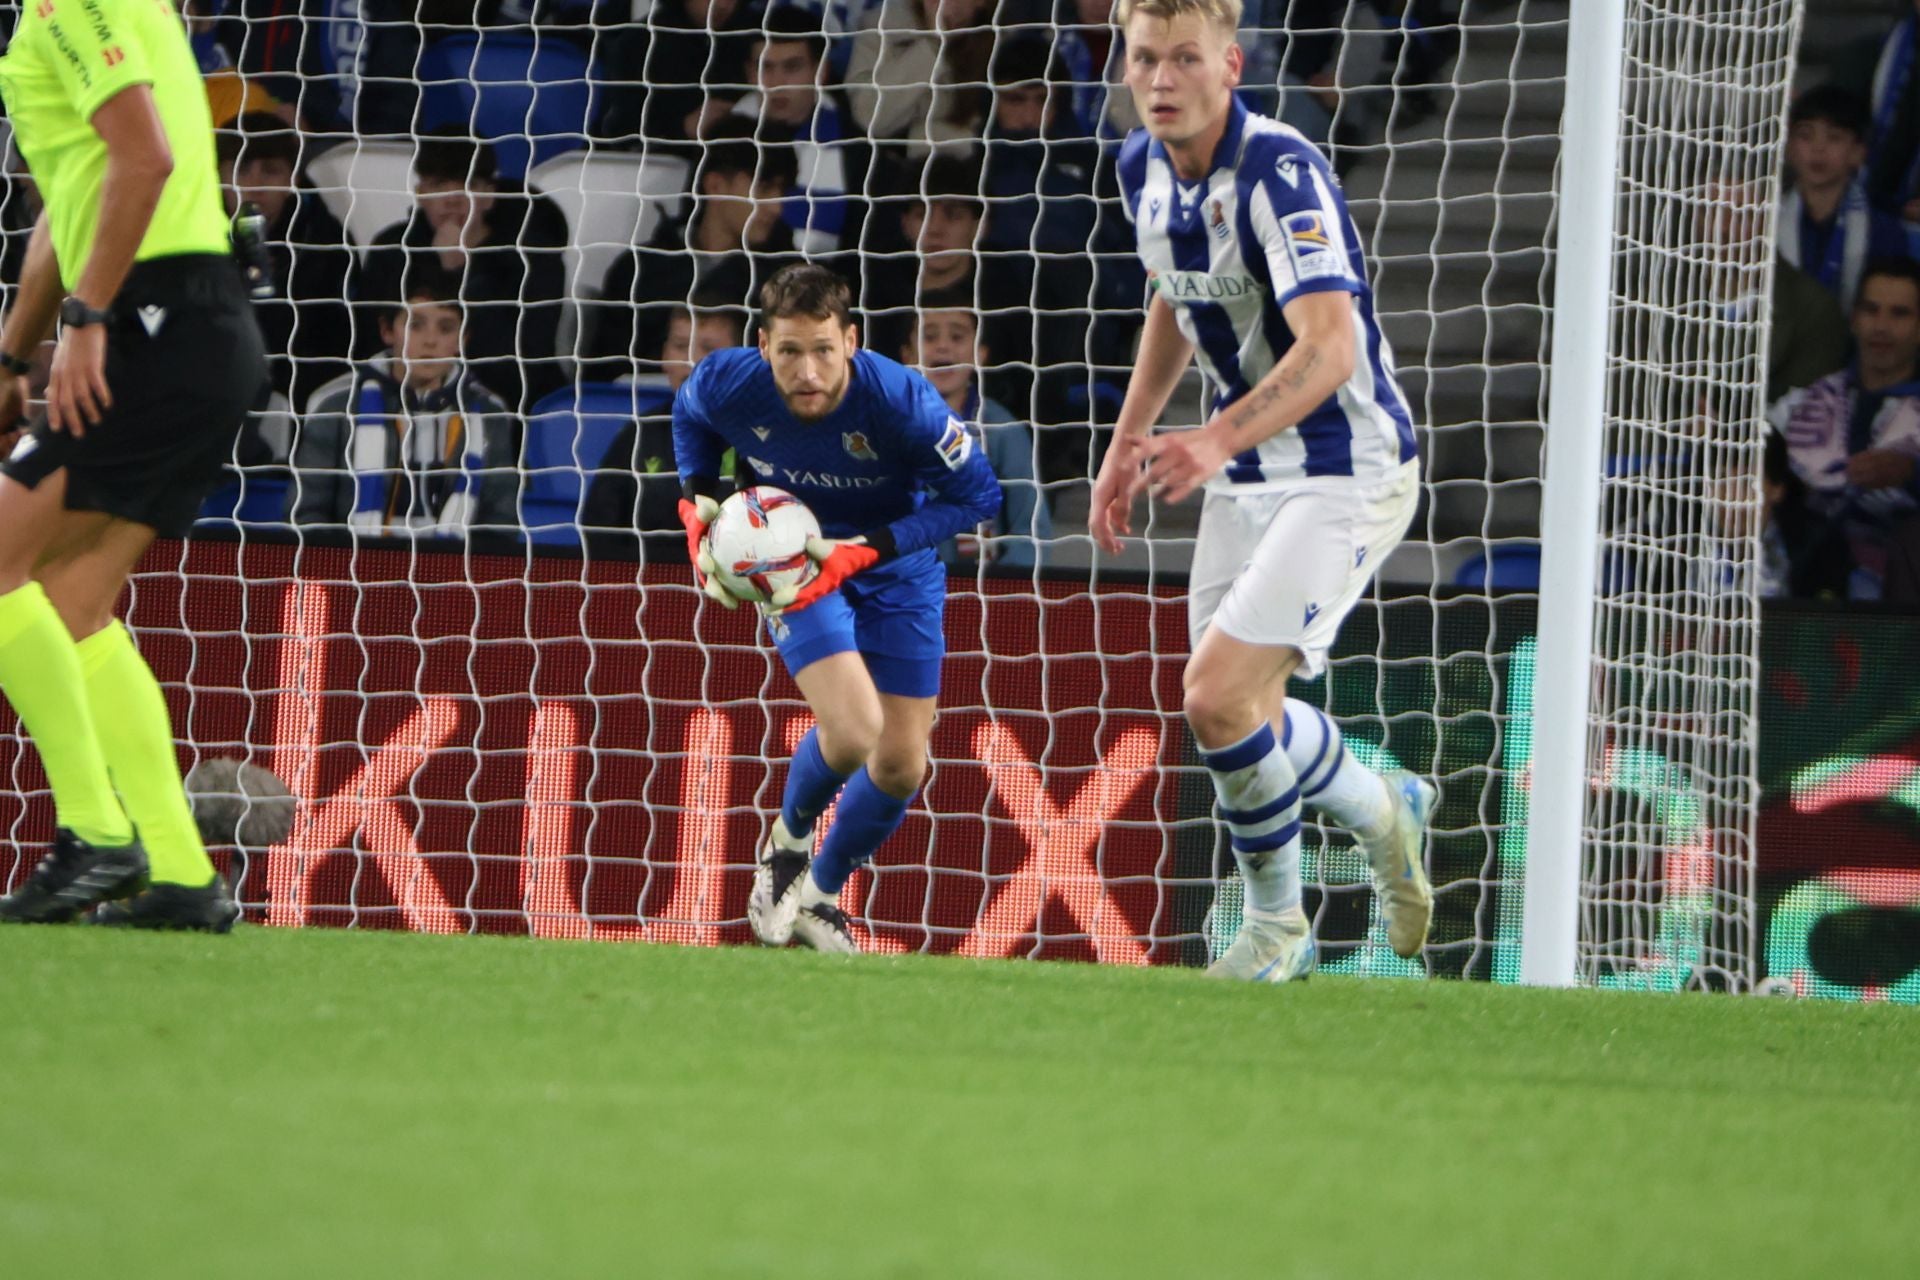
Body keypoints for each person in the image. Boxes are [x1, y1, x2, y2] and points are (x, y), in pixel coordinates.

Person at [1088, 0, 1432, 982]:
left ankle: (1279, 927)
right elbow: (1173, 291)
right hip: (1245, 468)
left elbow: (1332, 346)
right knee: (1238, 713)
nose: (1161, 80)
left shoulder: (1282, 171)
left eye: (1184, 59)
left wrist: (1213, 435)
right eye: (1144, 58)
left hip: (1346, 467)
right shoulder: (1139, 167)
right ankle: (1382, 806)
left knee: (1213, 692)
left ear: (1231, 64)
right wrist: (1127, 440)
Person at [0, 0, 269, 930]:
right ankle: (184, 875)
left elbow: (144, 160)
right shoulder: (120, 16)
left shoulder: (72, 1)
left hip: (152, 322)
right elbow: (69, 212)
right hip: (205, 326)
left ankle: (95, 833)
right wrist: (12, 354)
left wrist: (85, 321)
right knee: (72, 602)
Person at [674, 264, 1000, 952]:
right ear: (764, 347)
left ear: (850, 341)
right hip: (792, 562)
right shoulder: (728, 380)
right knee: (853, 732)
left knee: (901, 765)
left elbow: (979, 498)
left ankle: (819, 896)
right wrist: (697, 504)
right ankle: (786, 852)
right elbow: (692, 417)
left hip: (894, 563)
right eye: (789, 351)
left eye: (823, 349)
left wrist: (869, 548)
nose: (808, 369)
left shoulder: (902, 401)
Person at [290, 280, 520, 539]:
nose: (430, 341)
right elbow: (306, 511)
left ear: (462, 339)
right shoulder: (337, 406)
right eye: (415, 325)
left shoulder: (489, 413)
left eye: (445, 328)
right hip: (355, 567)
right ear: (387, 331)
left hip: (453, 571)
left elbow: (502, 520)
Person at [358, 128, 568, 411]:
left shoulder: (534, 256)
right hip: (402, 402)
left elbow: (523, 366)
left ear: (490, 195)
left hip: (512, 409)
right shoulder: (391, 250)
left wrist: (459, 272)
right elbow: (372, 348)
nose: (453, 198)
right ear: (420, 194)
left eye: (468, 184)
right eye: (440, 184)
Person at [582, 118, 802, 382]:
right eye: (764, 189)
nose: (776, 207)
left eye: (781, 191)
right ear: (715, 186)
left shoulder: (792, 282)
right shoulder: (639, 269)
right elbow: (601, 379)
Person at [1768, 259, 1920, 602]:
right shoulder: (1805, 401)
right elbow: (1759, 457)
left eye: (1899, 314)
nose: (1881, 326)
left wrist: (1912, 472)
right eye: (1871, 310)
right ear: (1853, 319)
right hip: (1802, 578)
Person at [582, 300, 747, 560]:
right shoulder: (640, 433)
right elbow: (598, 531)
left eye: (708, 348)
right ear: (663, 357)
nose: (691, 360)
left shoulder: (765, 433)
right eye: (680, 346)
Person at [215, 113, 354, 412]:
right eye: (241, 170)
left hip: (298, 401)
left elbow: (340, 346)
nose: (254, 185)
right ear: (219, 177)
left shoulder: (326, 241)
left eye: (270, 171)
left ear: (292, 179)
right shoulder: (193, 238)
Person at [902, 306, 1051, 568]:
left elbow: (1030, 530)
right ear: (907, 356)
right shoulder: (887, 427)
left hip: (987, 591)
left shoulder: (1002, 429)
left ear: (980, 355)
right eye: (929, 337)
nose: (943, 347)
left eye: (957, 337)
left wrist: (1004, 590)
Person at [730, 6, 875, 254]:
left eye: (792, 67)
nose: (776, 84)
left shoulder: (857, 149)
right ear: (748, 72)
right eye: (765, 67)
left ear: (822, 72)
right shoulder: (720, 139)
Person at [1779, 86, 1916, 313]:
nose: (1818, 149)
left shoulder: (1883, 229)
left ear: (1858, 153)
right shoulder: (1765, 223)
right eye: (1805, 135)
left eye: (1834, 138)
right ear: (1789, 148)